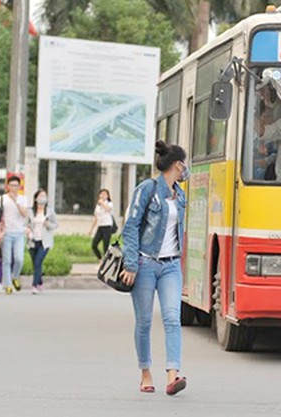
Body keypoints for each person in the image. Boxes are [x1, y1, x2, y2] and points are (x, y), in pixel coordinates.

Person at [120, 140, 188, 396]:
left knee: (172, 318)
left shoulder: (180, 194)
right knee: (145, 321)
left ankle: (173, 374)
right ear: (177, 164)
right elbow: (131, 226)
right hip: (145, 263)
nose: (186, 169)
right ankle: (145, 372)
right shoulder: (147, 189)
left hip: (171, 266)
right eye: (185, 164)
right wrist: (130, 263)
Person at [0, 175, 28, 294]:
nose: (14, 188)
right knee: (7, 260)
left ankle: (15, 276)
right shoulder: (2, 199)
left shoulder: (22, 199)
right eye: (12, 185)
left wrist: (16, 201)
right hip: (7, 233)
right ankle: (7, 284)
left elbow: (24, 214)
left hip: (19, 233)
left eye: (16, 186)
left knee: (19, 259)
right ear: (7, 186)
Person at [27, 189, 58, 294]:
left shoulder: (50, 211)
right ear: (36, 198)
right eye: (40, 196)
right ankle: (40, 282)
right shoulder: (30, 211)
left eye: (44, 196)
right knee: (35, 264)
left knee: (38, 262)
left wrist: (48, 224)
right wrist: (27, 231)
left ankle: (34, 285)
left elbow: (55, 225)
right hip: (32, 240)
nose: (42, 198)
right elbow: (25, 224)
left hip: (44, 241)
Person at [89, 189, 114, 259]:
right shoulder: (98, 206)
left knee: (105, 245)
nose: (103, 195)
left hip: (107, 226)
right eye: (101, 194)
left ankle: (107, 262)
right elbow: (96, 217)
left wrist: (102, 203)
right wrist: (91, 229)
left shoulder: (109, 203)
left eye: (105, 194)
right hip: (100, 226)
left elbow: (108, 209)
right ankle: (100, 259)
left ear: (108, 196)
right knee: (94, 244)